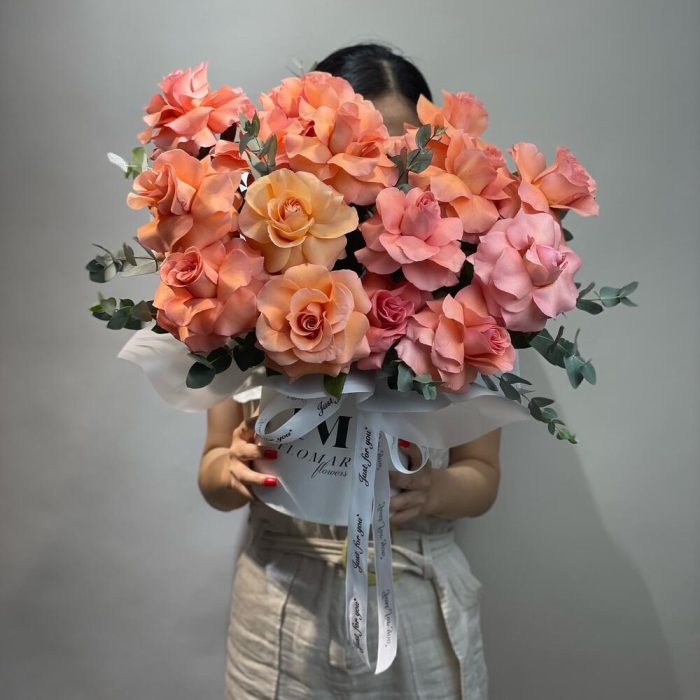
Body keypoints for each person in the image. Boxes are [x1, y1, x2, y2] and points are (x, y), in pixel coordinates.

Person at [197, 43, 501, 700]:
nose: (382, 167)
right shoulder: (245, 289)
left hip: (415, 598)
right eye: (358, 145)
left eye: (398, 148)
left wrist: (433, 493)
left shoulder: (466, 300)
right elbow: (213, 474)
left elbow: (482, 476)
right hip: (278, 608)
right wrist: (234, 468)